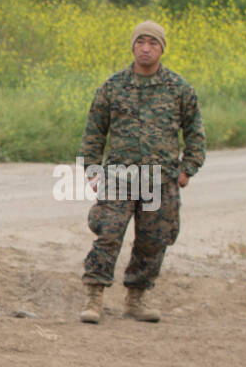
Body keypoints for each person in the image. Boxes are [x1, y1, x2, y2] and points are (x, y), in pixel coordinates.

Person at [78, 20, 205, 323]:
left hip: (161, 180)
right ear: (133, 46)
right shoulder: (113, 86)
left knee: (153, 240)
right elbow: (94, 131)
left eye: (153, 43)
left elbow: (195, 133)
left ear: (162, 48)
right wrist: (93, 171)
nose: (146, 48)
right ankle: (94, 298)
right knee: (108, 234)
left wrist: (188, 169)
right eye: (140, 42)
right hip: (120, 178)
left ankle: (136, 299)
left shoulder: (179, 89)